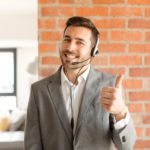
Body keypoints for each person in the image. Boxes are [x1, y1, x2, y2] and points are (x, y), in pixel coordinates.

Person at [24, 16, 136, 150]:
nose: (70, 47)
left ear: (93, 50)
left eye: (80, 42)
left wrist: (120, 113)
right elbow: (32, 145)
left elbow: (126, 145)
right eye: (67, 40)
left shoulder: (110, 85)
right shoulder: (39, 90)